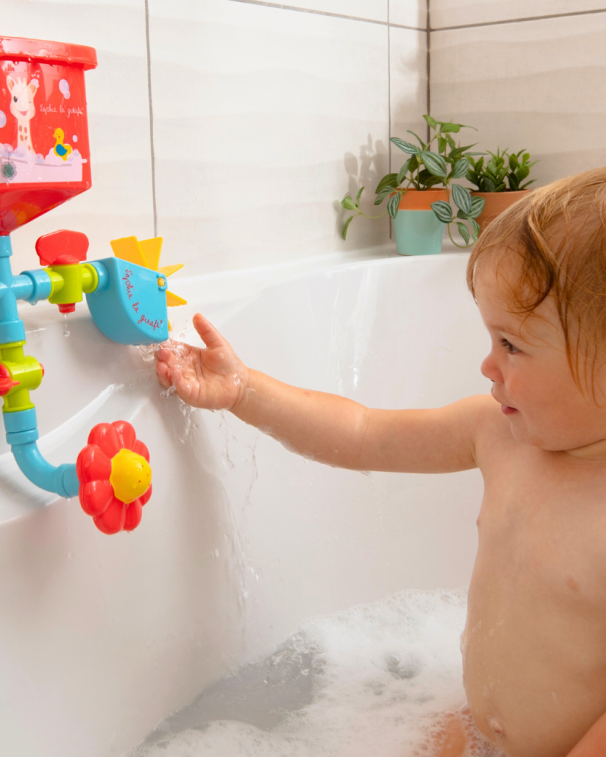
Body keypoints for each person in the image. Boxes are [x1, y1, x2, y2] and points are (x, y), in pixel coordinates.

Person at [154, 167, 606, 757]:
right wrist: (245, 390)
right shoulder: (497, 434)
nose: (487, 366)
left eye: (512, 345)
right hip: (471, 727)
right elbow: (364, 433)